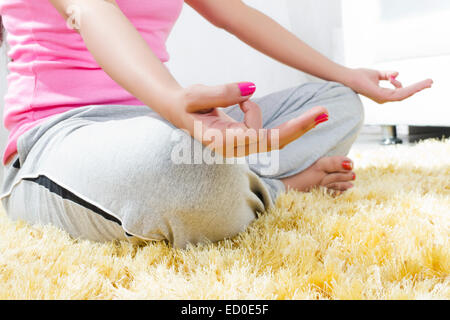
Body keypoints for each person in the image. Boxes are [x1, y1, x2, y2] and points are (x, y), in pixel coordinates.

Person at [0, 0, 432, 248]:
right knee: (181, 171)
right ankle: (280, 185)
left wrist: (345, 73)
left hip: (162, 128)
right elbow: (86, 8)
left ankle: (236, 176)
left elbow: (236, 15)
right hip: (58, 139)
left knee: (336, 102)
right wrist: (173, 102)